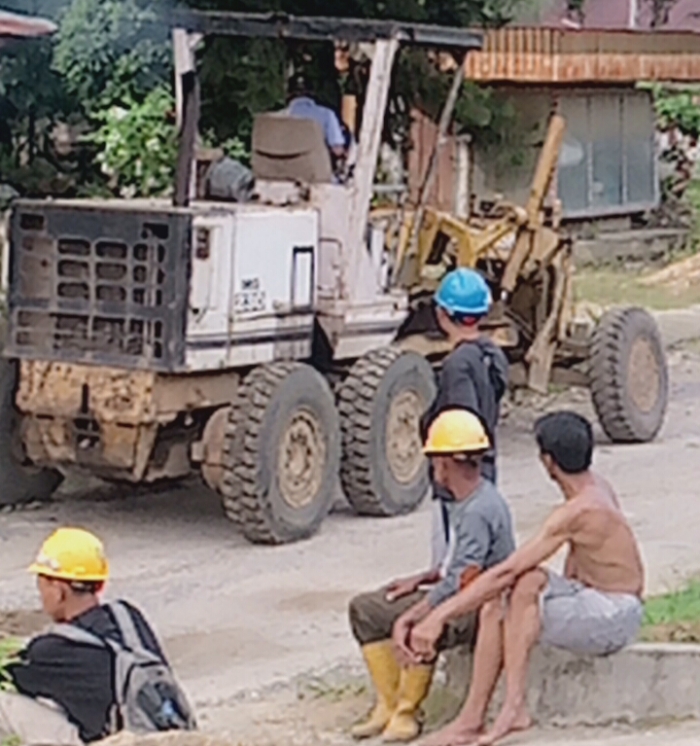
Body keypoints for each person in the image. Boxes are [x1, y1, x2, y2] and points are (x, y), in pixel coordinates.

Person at [408, 412, 645, 746]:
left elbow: (507, 570)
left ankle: (505, 709)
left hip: (615, 615)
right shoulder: (595, 487)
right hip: (596, 597)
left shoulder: (578, 511)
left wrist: (437, 616)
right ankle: (481, 716)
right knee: (516, 590)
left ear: (548, 461)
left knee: (510, 592)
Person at [348, 409, 515, 743]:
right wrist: (422, 578)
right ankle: (389, 702)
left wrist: (411, 616)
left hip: (477, 605)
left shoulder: (479, 509)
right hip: (457, 590)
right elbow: (456, 564)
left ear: (444, 463)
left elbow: (462, 581)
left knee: (420, 628)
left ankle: (408, 712)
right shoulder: (464, 500)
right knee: (365, 609)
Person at [2, 528, 191, 745]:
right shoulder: (128, 615)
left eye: (42, 584)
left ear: (59, 589)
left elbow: (12, 676)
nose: (40, 595)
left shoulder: (51, 650)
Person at [286, 73, 347, 161]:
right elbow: (337, 150)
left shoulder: (277, 119)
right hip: (316, 171)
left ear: (288, 93)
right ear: (313, 91)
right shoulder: (327, 114)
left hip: (281, 170)